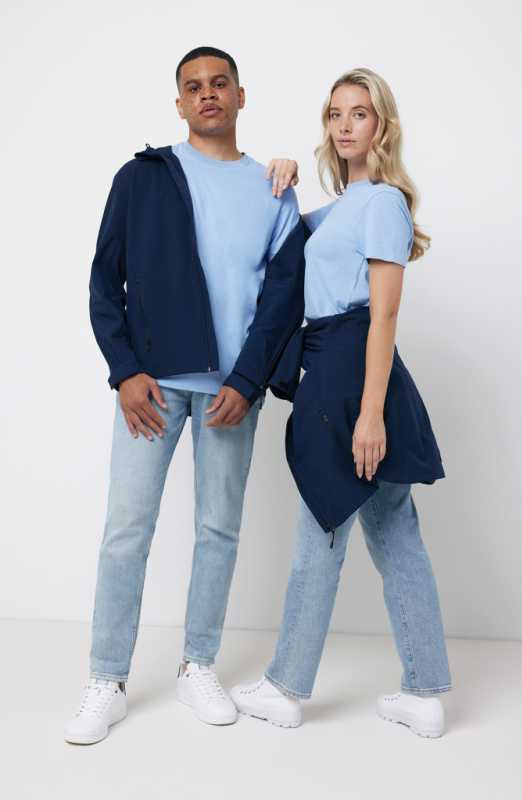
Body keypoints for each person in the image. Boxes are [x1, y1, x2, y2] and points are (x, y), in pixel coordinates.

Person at [64, 46, 306, 745]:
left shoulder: (273, 188)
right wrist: (125, 371)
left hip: (232, 392)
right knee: (126, 530)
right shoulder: (142, 178)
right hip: (154, 388)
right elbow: (104, 282)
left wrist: (248, 380)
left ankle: (197, 664)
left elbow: (284, 296)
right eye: (194, 87)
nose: (207, 94)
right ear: (179, 103)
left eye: (219, 83)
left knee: (218, 530)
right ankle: (107, 678)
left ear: (240, 96)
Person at [230, 67, 453, 738]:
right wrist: (281, 172)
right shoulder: (344, 207)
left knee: (320, 533)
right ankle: (424, 693)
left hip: (352, 376)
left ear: (381, 124)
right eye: (335, 114)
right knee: (396, 535)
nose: (345, 125)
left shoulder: (382, 203)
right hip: (337, 367)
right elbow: (285, 236)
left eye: (359, 113)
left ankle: (285, 688)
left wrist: (371, 414)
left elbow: (383, 316)